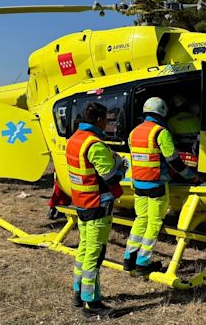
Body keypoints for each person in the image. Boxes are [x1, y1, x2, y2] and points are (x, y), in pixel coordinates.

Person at [123, 97, 199, 276]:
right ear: (163, 112)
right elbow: (174, 161)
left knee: (141, 218)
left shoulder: (134, 132)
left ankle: (129, 258)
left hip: (138, 184)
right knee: (154, 222)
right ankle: (143, 262)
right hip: (156, 184)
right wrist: (191, 176)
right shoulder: (160, 132)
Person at [66, 102, 126, 318]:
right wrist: (121, 167)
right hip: (97, 205)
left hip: (81, 203)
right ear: (100, 120)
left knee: (84, 250)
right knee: (95, 254)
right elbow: (110, 177)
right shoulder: (94, 145)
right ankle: (93, 304)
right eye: (107, 120)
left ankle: (78, 293)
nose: (108, 124)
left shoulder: (74, 140)